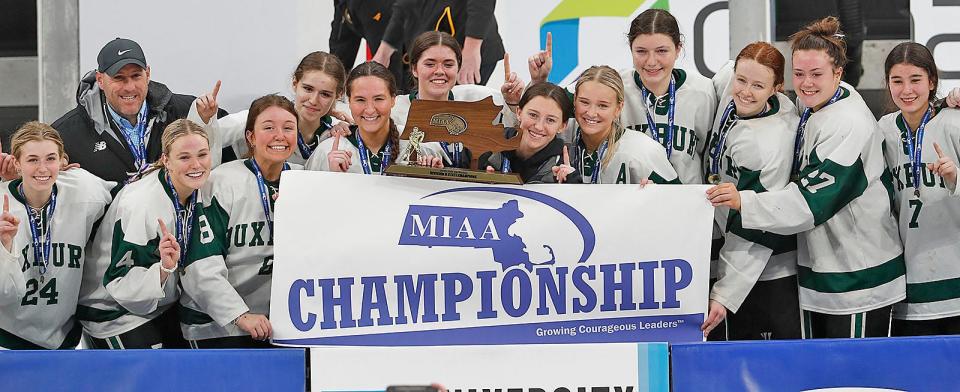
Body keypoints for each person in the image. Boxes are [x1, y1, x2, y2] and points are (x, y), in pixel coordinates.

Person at [707, 17, 904, 339]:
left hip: (860, 278)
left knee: (854, 385)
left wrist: (745, 200)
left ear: (838, 73)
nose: (807, 83)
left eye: (816, 74)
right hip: (820, 275)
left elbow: (809, 204)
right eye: (799, 74)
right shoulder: (812, 103)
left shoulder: (849, 124)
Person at [529, 9, 716, 185]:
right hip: (626, 203)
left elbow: (713, 152)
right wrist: (539, 81)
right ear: (631, 49)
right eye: (641, 51)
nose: (651, 61)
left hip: (686, 203)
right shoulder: (610, 88)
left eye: (662, 51)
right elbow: (548, 109)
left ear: (678, 49)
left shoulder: (703, 91)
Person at [178, 94, 302, 348]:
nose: (279, 135)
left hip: (279, 325)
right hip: (216, 326)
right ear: (250, 137)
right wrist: (239, 316)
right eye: (268, 127)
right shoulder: (220, 183)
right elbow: (201, 264)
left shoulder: (304, 182)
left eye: (288, 128)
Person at [78, 119, 213, 349]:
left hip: (161, 304)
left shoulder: (197, 188)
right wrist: (162, 271)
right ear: (166, 160)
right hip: (113, 310)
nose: (196, 164)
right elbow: (118, 281)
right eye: (184, 157)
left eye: (202, 155)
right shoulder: (142, 204)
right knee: (151, 382)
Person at [699, 43, 801, 340]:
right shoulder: (726, 83)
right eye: (741, 80)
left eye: (758, 85)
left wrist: (725, 293)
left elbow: (756, 227)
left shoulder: (769, 146)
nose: (744, 91)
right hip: (725, 248)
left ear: (777, 88)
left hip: (766, 270)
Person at [0, 122, 113, 350]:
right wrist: (5, 246)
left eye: (50, 159)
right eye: (32, 160)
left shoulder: (84, 189)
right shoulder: (3, 207)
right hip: (8, 338)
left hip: (65, 339)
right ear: (17, 163)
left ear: (63, 160)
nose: (42, 168)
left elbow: (129, 197)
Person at [51, 38, 224, 184]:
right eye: (119, 78)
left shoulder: (187, 111)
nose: (129, 87)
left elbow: (242, 137)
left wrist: (207, 122)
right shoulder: (65, 134)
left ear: (147, 74)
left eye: (136, 76)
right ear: (100, 80)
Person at [878, 42, 960, 336]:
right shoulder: (885, 130)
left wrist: (956, 178)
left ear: (932, 81)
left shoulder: (953, 123)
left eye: (915, 79)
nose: (906, 90)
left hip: (955, 284)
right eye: (897, 81)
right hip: (909, 291)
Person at [390, 31, 517, 167]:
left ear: (458, 68)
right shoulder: (394, 110)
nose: (439, 71)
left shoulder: (478, 98)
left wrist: (512, 102)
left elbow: (513, 133)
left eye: (448, 64)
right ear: (414, 69)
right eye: (430, 64)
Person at [210, 51, 351, 165]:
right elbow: (201, 137)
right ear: (295, 83)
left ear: (338, 95)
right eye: (308, 89)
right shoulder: (258, 120)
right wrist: (204, 118)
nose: (313, 101)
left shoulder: (336, 132)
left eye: (325, 94)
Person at [307, 62, 444, 173]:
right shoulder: (328, 151)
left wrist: (433, 177)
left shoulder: (420, 145)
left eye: (378, 99)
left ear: (393, 100)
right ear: (349, 102)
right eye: (360, 100)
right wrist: (332, 178)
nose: (370, 109)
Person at [565, 66, 679, 185]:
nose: (591, 113)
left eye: (603, 105)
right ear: (574, 101)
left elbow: (680, 199)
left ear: (618, 108)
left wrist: (657, 196)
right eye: (584, 102)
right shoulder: (559, 135)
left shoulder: (642, 151)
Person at [373, 0, 505, 86]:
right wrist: (384, 51)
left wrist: (471, 48)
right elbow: (402, 6)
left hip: (467, 46)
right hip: (426, 42)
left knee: (457, 112)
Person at [477, 82, 581, 184]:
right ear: (519, 112)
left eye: (550, 120)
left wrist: (571, 185)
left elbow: (578, 200)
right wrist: (477, 174)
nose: (539, 127)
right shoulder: (486, 143)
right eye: (533, 115)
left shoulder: (563, 169)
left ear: (563, 126)